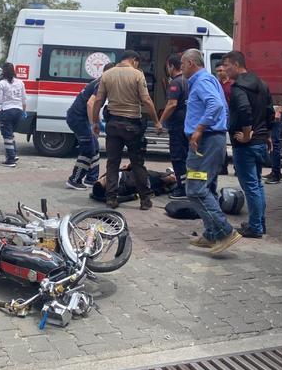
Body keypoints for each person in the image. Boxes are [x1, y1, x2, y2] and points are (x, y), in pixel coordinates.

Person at [180, 48, 240, 255]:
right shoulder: (208, 79)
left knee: (195, 189)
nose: (180, 69)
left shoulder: (202, 81)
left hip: (204, 142)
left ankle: (225, 231)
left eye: (181, 64)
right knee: (208, 187)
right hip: (210, 140)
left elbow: (215, 106)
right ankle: (211, 234)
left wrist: (199, 129)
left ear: (190, 63)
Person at [89, 50, 162, 210]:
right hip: (132, 125)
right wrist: (156, 121)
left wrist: (95, 122)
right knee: (137, 163)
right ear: (134, 60)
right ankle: (145, 200)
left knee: (112, 163)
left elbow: (98, 100)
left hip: (113, 124)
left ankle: (111, 199)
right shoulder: (137, 75)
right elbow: (146, 100)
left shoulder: (108, 75)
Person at [221, 50, 274, 238]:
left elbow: (244, 109)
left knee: (251, 185)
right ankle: (259, 223)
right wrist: (267, 135)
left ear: (236, 64)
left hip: (245, 145)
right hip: (259, 141)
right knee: (257, 185)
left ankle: (255, 227)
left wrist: (245, 134)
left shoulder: (238, 88)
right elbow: (270, 111)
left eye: (226, 65)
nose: (224, 69)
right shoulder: (261, 84)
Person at [65, 62, 114, 190]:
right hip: (78, 119)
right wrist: (94, 124)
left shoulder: (98, 82)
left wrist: (96, 124)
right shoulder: (101, 83)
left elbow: (95, 108)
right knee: (87, 149)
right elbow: (91, 104)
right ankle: (74, 180)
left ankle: (91, 179)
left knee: (95, 146)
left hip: (80, 118)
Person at [157, 53, 189, 199]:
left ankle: (182, 188)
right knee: (187, 156)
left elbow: (172, 104)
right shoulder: (188, 80)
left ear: (171, 65)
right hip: (188, 125)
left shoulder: (175, 82)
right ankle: (188, 185)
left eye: (167, 67)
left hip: (178, 126)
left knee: (177, 158)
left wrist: (160, 122)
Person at [0, 62, 26, 167]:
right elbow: (24, 98)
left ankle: (10, 160)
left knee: (7, 136)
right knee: (10, 134)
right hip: (18, 111)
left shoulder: (1, 83)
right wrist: (24, 111)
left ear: (3, 71)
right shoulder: (20, 82)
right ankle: (13, 154)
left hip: (7, 111)